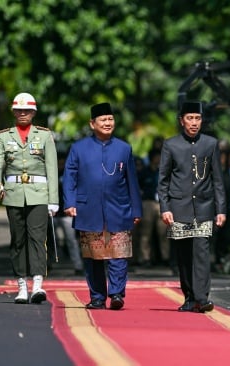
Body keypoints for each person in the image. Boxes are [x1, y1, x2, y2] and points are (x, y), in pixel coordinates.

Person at [62, 102, 142, 310]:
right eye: (103, 120)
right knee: (93, 257)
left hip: (119, 208)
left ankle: (116, 294)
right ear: (92, 123)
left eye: (110, 119)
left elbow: (132, 181)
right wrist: (69, 203)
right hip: (88, 209)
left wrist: (136, 209)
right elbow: (69, 177)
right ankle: (97, 297)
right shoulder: (78, 148)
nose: (108, 123)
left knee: (119, 254)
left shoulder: (124, 148)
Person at [0, 92, 58, 304]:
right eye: (19, 110)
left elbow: (52, 168)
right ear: (13, 112)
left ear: (33, 112)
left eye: (27, 110)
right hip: (13, 193)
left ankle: (37, 284)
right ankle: (21, 285)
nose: (22, 113)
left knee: (37, 239)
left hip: (38, 194)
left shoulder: (45, 136)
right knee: (18, 240)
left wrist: (53, 199)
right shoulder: (3, 136)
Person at [158, 101, 226, 313]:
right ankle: (189, 298)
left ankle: (202, 298)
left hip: (204, 207)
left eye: (197, 118)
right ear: (181, 121)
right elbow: (163, 180)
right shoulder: (171, 145)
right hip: (179, 208)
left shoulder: (211, 143)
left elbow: (218, 180)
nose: (194, 123)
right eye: (190, 118)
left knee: (202, 254)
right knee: (184, 255)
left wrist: (221, 209)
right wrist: (165, 207)